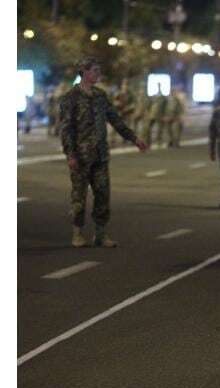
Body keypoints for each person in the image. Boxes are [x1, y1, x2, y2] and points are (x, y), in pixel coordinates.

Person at [59, 57, 148, 247]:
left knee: (103, 195)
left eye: (99, 71)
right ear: (84, 72)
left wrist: (135, 139)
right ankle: (77, 233)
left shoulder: (100, 96)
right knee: (79, 197)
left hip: (100, 155)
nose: (98, 74)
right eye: (95, 71)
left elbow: (115, 120)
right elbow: (66, 129)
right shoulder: (70, 98)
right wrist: (70, 155)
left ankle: (100, 234)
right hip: (81, 156)